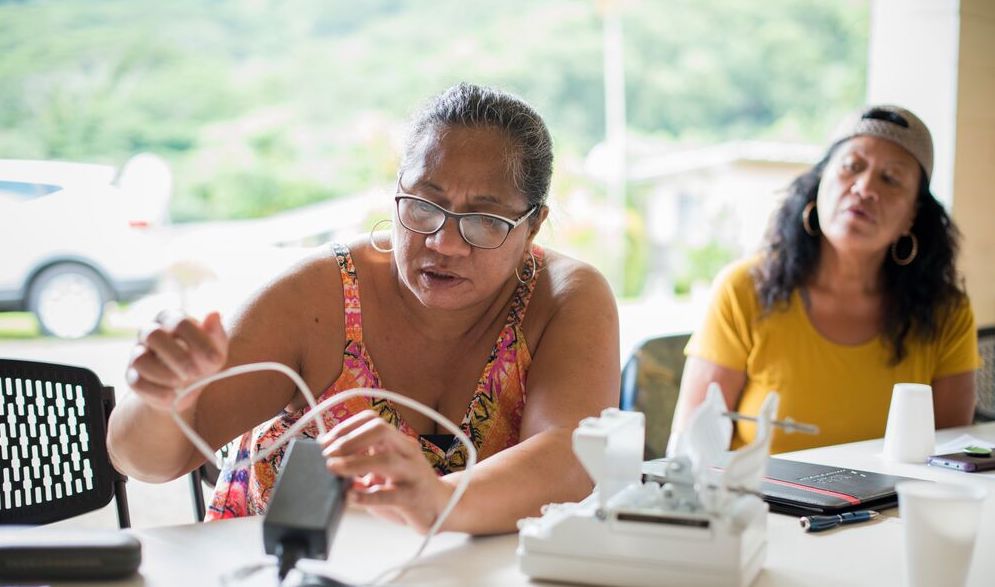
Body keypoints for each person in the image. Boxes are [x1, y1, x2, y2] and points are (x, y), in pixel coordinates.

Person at [107, 83, 620, 534]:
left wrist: (437, 499)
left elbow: (570, 458)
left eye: (484, 219)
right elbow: (150, 463)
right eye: (424, 205)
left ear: (533, 225)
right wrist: (157, 398)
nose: (444, 243)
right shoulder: (320, 294)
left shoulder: (565, 298)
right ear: (397, 193)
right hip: (279, 568)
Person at [671, 105, 980, 454]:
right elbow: (688, 453)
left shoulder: (946, 311)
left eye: (890, 178)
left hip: (893, 508)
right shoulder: (744, 288)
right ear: (819, 182)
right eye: (852, 167)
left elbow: (952, 461)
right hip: (755, 505)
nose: (864, 188)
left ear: (913, 215)